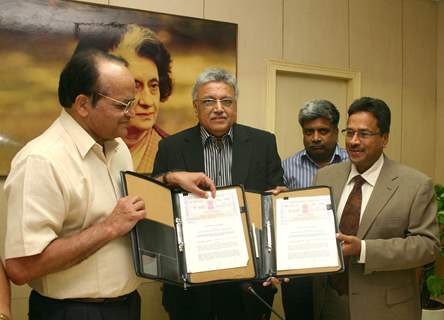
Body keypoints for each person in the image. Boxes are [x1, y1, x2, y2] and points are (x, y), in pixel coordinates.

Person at [3, 49, 215, 320]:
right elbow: (21, 268)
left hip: (125, 306)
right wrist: (109, 227)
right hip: (73, 312)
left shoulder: (116, 147)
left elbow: (121, 200)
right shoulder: (41, 161)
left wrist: (168, 179)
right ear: (82, 104)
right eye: (122, 105)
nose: (132, 112)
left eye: (133, 101)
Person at [152, 68, 285, 320]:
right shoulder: (171, 147)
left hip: (248, 282)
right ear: (195, 106)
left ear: (235, 105)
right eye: (209, 101)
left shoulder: (263, 143)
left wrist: (280, 201)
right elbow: (153, 196)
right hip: (190, 285)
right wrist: (170, 177)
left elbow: (273, 200)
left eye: (227, 101)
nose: (219, 108)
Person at [313, 97, 440, 320]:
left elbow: (427, 245)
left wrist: (364, 249)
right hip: (329, 305)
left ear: (384, 138)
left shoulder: (415, 184)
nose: (353, 141)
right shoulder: (326, 176)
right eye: (349, 132)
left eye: (363, 134)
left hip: (385, 309)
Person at [281, 99, 348, 320]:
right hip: (300, 266)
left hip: (343, 262)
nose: (316, 138)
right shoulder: (287, 167)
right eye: (309, 132)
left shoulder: (354, 162)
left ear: (336, 132)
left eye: (323, 131)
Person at [74, 24, 173, 173]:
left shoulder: (174, 155)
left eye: (153, 86)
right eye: (135, 86)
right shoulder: (68, 153)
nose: (147, 101)